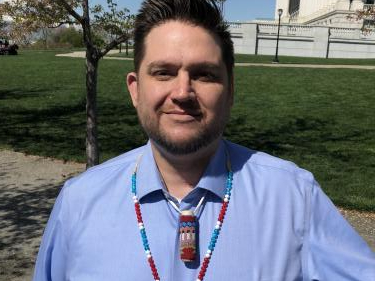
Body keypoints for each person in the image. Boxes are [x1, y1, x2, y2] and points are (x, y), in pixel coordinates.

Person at [33, 0, 375, 280]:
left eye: (204, 74)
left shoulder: (294, 199)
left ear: (230, 91)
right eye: (164, 72)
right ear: (135, 89)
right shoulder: (79, 203)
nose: (182, 93)